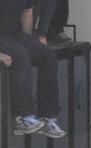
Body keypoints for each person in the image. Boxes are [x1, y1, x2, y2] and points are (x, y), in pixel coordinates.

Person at [0, 0, 65, 137]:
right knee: (21, 55)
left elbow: (27, 12)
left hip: (14, 34)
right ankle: (22, 117)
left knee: (47, 55)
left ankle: (47, 117)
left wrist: (31, 40)